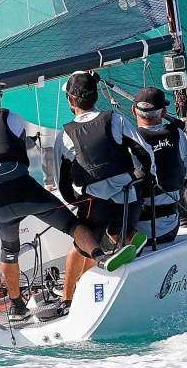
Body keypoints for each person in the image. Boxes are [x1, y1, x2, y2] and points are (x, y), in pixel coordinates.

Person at [0, 73, 133, 322]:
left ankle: (17, 308)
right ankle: (101, 259)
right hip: (26, 191)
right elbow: (23, 162)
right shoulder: (13, 118)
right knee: (74, 226)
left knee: (9, 250)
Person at [53, 71, 154, 316]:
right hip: (127, 196)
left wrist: (74, 201)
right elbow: (144, 151)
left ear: (70, 101)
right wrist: (145, 177)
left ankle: (67, 299)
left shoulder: (64, 134)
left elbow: (61, 181)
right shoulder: (115, 120)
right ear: (97, 96)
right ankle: (130, 238)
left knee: (81, 243)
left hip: (94, 201)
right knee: (120, 229)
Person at [131, 87, 187, 245]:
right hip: (170, 231)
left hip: (138, 234)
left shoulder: (128, 141)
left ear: (134, 111)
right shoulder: (178, 135)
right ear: (164, 113)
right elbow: (186, 174)